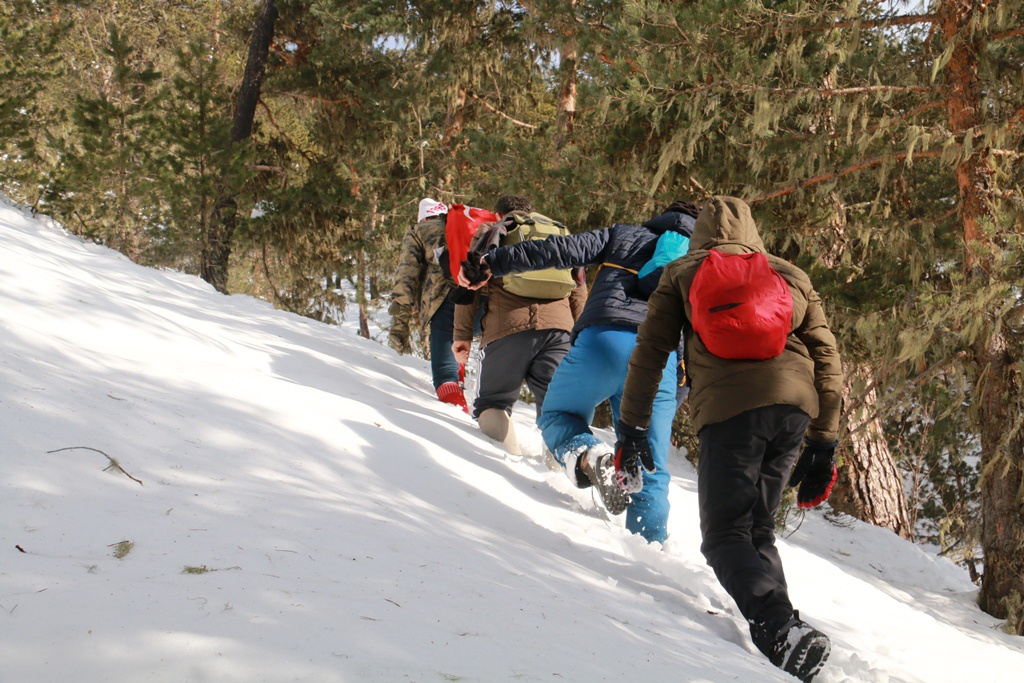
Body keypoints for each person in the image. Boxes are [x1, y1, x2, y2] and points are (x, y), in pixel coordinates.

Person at [616, 196, 844, 681]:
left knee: (724, 536)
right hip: (794, 405)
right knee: (756, 529)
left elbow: (649, 355)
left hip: (729, 408)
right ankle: (787, 636)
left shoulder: (682, 273)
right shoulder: (789, 274)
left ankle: (780, 629)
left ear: (699, 233)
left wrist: (631, 428)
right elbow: (827, 358)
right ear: (753, 232)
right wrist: (825, 443)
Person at [459, 201, 698, 543]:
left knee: (558, 414)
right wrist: (678, 391)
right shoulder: (702, 259)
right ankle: (650, 557)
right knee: (650, 468)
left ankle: (588, 454)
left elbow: (559, 251)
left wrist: (492, 262)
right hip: (660, 360)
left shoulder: (624, 234)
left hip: (603, 341)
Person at [452, 194, 587, 454]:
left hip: (506, 329)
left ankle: (509, 464)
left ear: (499, 214)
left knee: (492, 403)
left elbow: (470, 283)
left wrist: (462, 335)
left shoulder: (492, 231)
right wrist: (580, 336)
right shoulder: (561, 233)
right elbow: (579, 289)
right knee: (557, 406)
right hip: (560, 331)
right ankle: (564, 466)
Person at [388, 198, 469, 412]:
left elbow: (407, 275)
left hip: (447, 301)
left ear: (422, 217)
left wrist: (399, 324)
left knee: (445, 375)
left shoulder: (419, 230)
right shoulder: (465, 224)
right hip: (485, 300)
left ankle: (457, 419)